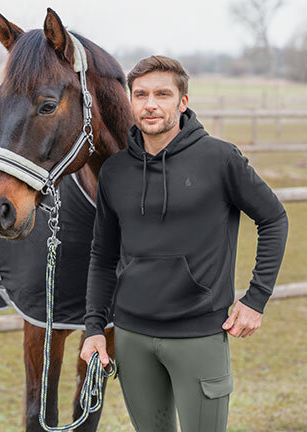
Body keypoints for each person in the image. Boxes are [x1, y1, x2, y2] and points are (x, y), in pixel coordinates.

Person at [80, 55, 289, 431]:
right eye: (140, 94)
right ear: (130, 101)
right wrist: (95, 327)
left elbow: (274, 218)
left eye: (163, 94)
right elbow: (102, 256)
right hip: (131, 338)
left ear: (183, 102)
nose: (150, 104)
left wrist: (256, 298)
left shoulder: (220, 159)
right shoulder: (115, 171)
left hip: (199, 335)